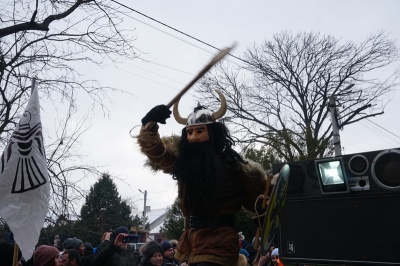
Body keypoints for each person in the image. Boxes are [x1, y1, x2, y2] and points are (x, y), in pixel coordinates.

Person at [137, 90, 268, 266]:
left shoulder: (235, 167)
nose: (194, 137)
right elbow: (160, 155)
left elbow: (260, 200)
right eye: (190, 133)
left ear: (213, 133)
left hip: (221, 242)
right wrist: (149, 125)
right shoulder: (186, 166)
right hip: (192, 242)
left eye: (200, 131)